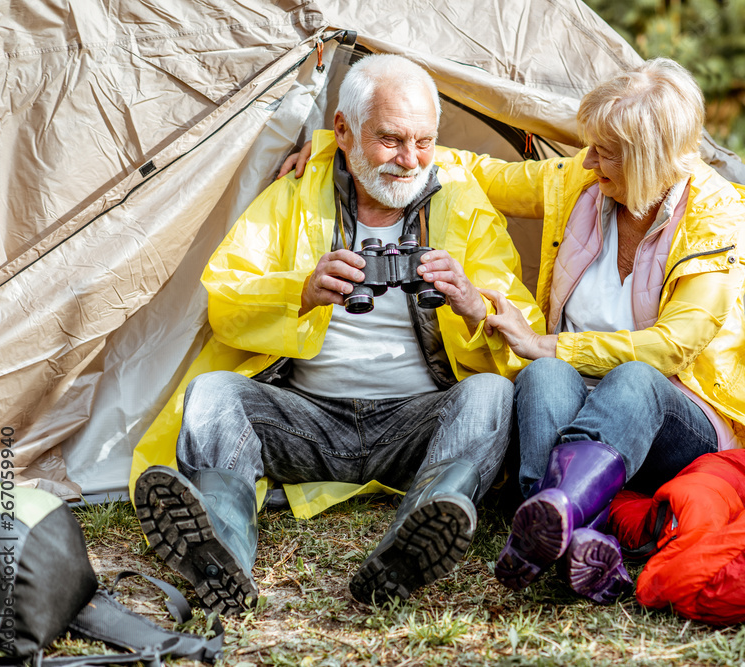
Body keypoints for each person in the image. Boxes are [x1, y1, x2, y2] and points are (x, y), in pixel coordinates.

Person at [278, 58, 745, 606]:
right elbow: (466, 167)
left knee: (630, 377)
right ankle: (573, 537)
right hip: (575, 399)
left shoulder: (718, 211)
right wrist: (340, 144)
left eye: (605, 152)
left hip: (676, 411)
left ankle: (554, 509)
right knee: (542, 375)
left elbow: (676, 343)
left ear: (650, 159)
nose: (587, 160)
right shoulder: (578, 183)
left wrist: (549, 343)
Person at [132, 54, 544, 616]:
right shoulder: (294, 195)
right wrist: (298, 291)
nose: (409, 160)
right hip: (305, 418)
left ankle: (416, 538)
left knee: (491, 395)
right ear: (344, 133)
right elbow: (225, 301)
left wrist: (473, 305)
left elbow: (525, 329)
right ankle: (220, 547)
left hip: (414, 422)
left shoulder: (463, 206)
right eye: (391, 140)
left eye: (424, 142)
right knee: (213, 394)